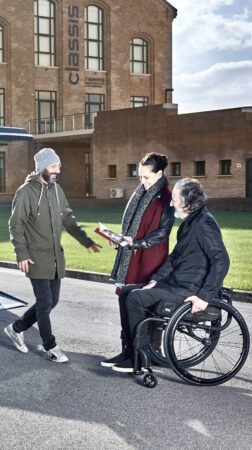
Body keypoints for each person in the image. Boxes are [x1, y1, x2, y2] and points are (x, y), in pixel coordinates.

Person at [109, 178, 230, 373]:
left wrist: (204, 297)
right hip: (175, 284)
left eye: (174, 199)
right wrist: (155, 280)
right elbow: (174, 258)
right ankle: (131, 351)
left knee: (135, 298)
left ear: (188, 204)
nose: (171, 203)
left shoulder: (204, 224)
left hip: (190, 290)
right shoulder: (189, 223)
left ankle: (141, 358)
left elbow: (221, 260)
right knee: (126, 292)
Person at [5, 147, 102, 363]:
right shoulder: (26, 192)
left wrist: (85, 239)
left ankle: (16, 328)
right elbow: (16, 224)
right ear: (42, 167)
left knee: (51, 301)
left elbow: (68, 219)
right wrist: (21, 253)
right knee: (45, 301)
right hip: (35, 257)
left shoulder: (57, 191)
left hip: (56, 258)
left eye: (58, 166)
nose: (57, 170)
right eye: (53, 166)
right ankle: (50, 347)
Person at [101, 153, 175, 367]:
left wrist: (135, 243)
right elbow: (133, 228)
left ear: (160, 174)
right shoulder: (141, 193)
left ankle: (147, 353)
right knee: (126, 301)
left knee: (144, 306)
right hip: (132, 255)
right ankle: (128, 350)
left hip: (150, 258)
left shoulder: (166, 197)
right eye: (140, 177)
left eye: (147, 177)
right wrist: (121, 240)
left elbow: (163, 232)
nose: (142, 182)